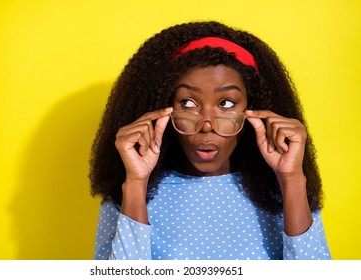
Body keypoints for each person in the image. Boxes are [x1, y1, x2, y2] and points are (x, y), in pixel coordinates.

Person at [89, 21, 331, 260]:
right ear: (163, 107)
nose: (206, 125)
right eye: (187, 103)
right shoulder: (128, 193)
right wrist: (136, 182)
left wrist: (292, 179)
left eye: (226, 103)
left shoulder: (283, 191)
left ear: (253, 108)